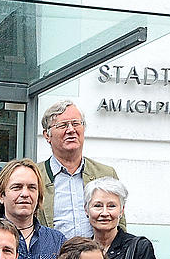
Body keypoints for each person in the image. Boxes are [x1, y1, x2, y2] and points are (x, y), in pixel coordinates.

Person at [35, 100, 121, 238]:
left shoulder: (105, 174)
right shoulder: (35, 176)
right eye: (62, 125)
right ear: (47, 135)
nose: (71, 130)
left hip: (98, 251)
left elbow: (119, 227)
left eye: (76, 123)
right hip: (53, 252)